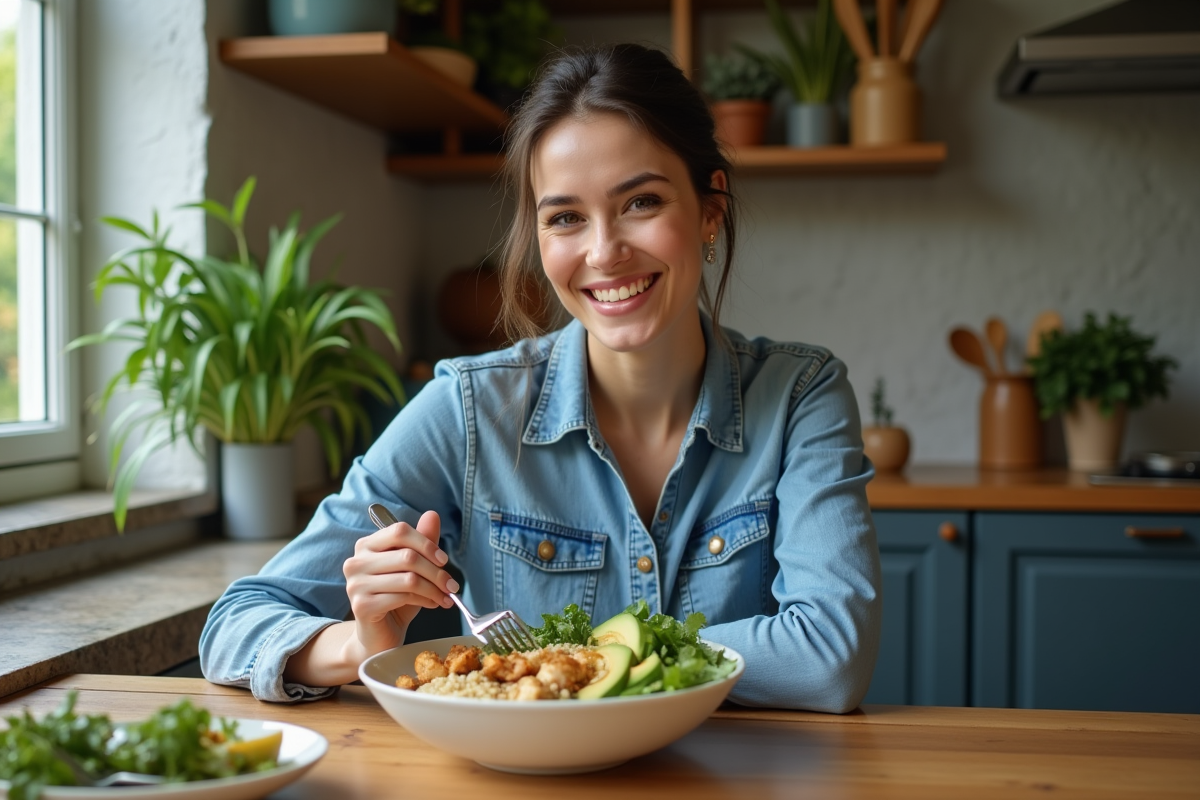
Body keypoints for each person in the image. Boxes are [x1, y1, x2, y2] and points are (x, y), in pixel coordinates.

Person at [200, 43, 881, 713]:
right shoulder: (468, 409)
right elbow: (236, 623)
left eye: (641, 202)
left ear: (710, 210)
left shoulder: (801, 395)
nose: (604, 252)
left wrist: (585, 663)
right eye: (565, 218)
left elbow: (830, 657)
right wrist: (358, 644)